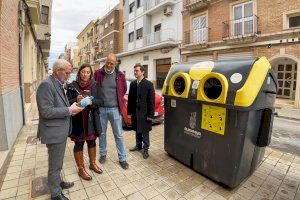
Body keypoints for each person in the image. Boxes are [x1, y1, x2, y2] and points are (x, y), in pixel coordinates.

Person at [36, 59, 84, 200]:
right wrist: (69, 110)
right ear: (58, 71)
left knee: (58, 162)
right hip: (54, 132)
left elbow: (59, 104)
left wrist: (73, 105)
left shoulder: (58, 83)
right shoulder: (46, 85)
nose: (69, 75)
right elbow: (46, 111)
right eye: (67, 72)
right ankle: (56, 194)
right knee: (55, 165)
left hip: (60, 131)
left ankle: (57, 183)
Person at [66, 63, 103, 181]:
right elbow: (66, 102)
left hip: (91, 120)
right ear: (79, 73)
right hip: (78, 120)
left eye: (88, 72)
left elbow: (101, 101)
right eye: (83, 72)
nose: (85, 74)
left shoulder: (95, 85)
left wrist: (92, 102)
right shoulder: (72, 86)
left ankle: (92, 163)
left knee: (92, 141)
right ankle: (81, 169)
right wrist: (75, 100)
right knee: (79, 144)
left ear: (91, 74)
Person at [94, 53, 129, 169]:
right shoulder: (98, 73)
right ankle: (103, 154)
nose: (109, 65)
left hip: (115, 109)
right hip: (101, 109)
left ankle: (122, 158)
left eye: (112, 63)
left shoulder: (120, 75)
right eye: (108, 62)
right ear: (106, 61)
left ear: (115, 64)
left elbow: (123, 89)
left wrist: (116, 99)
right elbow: (94, 88)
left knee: (118, 135)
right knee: (102, 134)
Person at [128, 64, 155, 159]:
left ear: (142, 72)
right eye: (134, 70)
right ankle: (138, 145)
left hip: (145, 113)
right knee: (137, 129)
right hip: (135, 112)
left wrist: (150, 115)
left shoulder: (149, 84)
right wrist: (129, 112)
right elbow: (130, 99)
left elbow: (151, 101)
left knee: (145, 131)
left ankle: (146, 149)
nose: (135, 72)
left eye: (137, 71)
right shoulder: (133, 84)